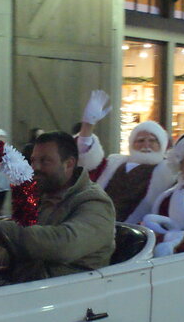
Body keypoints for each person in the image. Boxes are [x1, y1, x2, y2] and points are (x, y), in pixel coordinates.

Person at [0, 131, 116, 283]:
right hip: (23, 285)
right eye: (33, 160)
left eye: (45, 161)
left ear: (68, 164)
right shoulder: (43, 195)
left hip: (65, 293)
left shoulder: (94, 202)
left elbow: (64, 245)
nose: (35, 167)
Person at [76, 90, 178, 223]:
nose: (146, 145)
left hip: (134, 231)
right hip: (95, 223)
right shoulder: (114, 163)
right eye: (140, 141)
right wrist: (87, 127)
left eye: (152, 140)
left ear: (162, 145)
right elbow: (87, 159)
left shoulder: (170, 170)